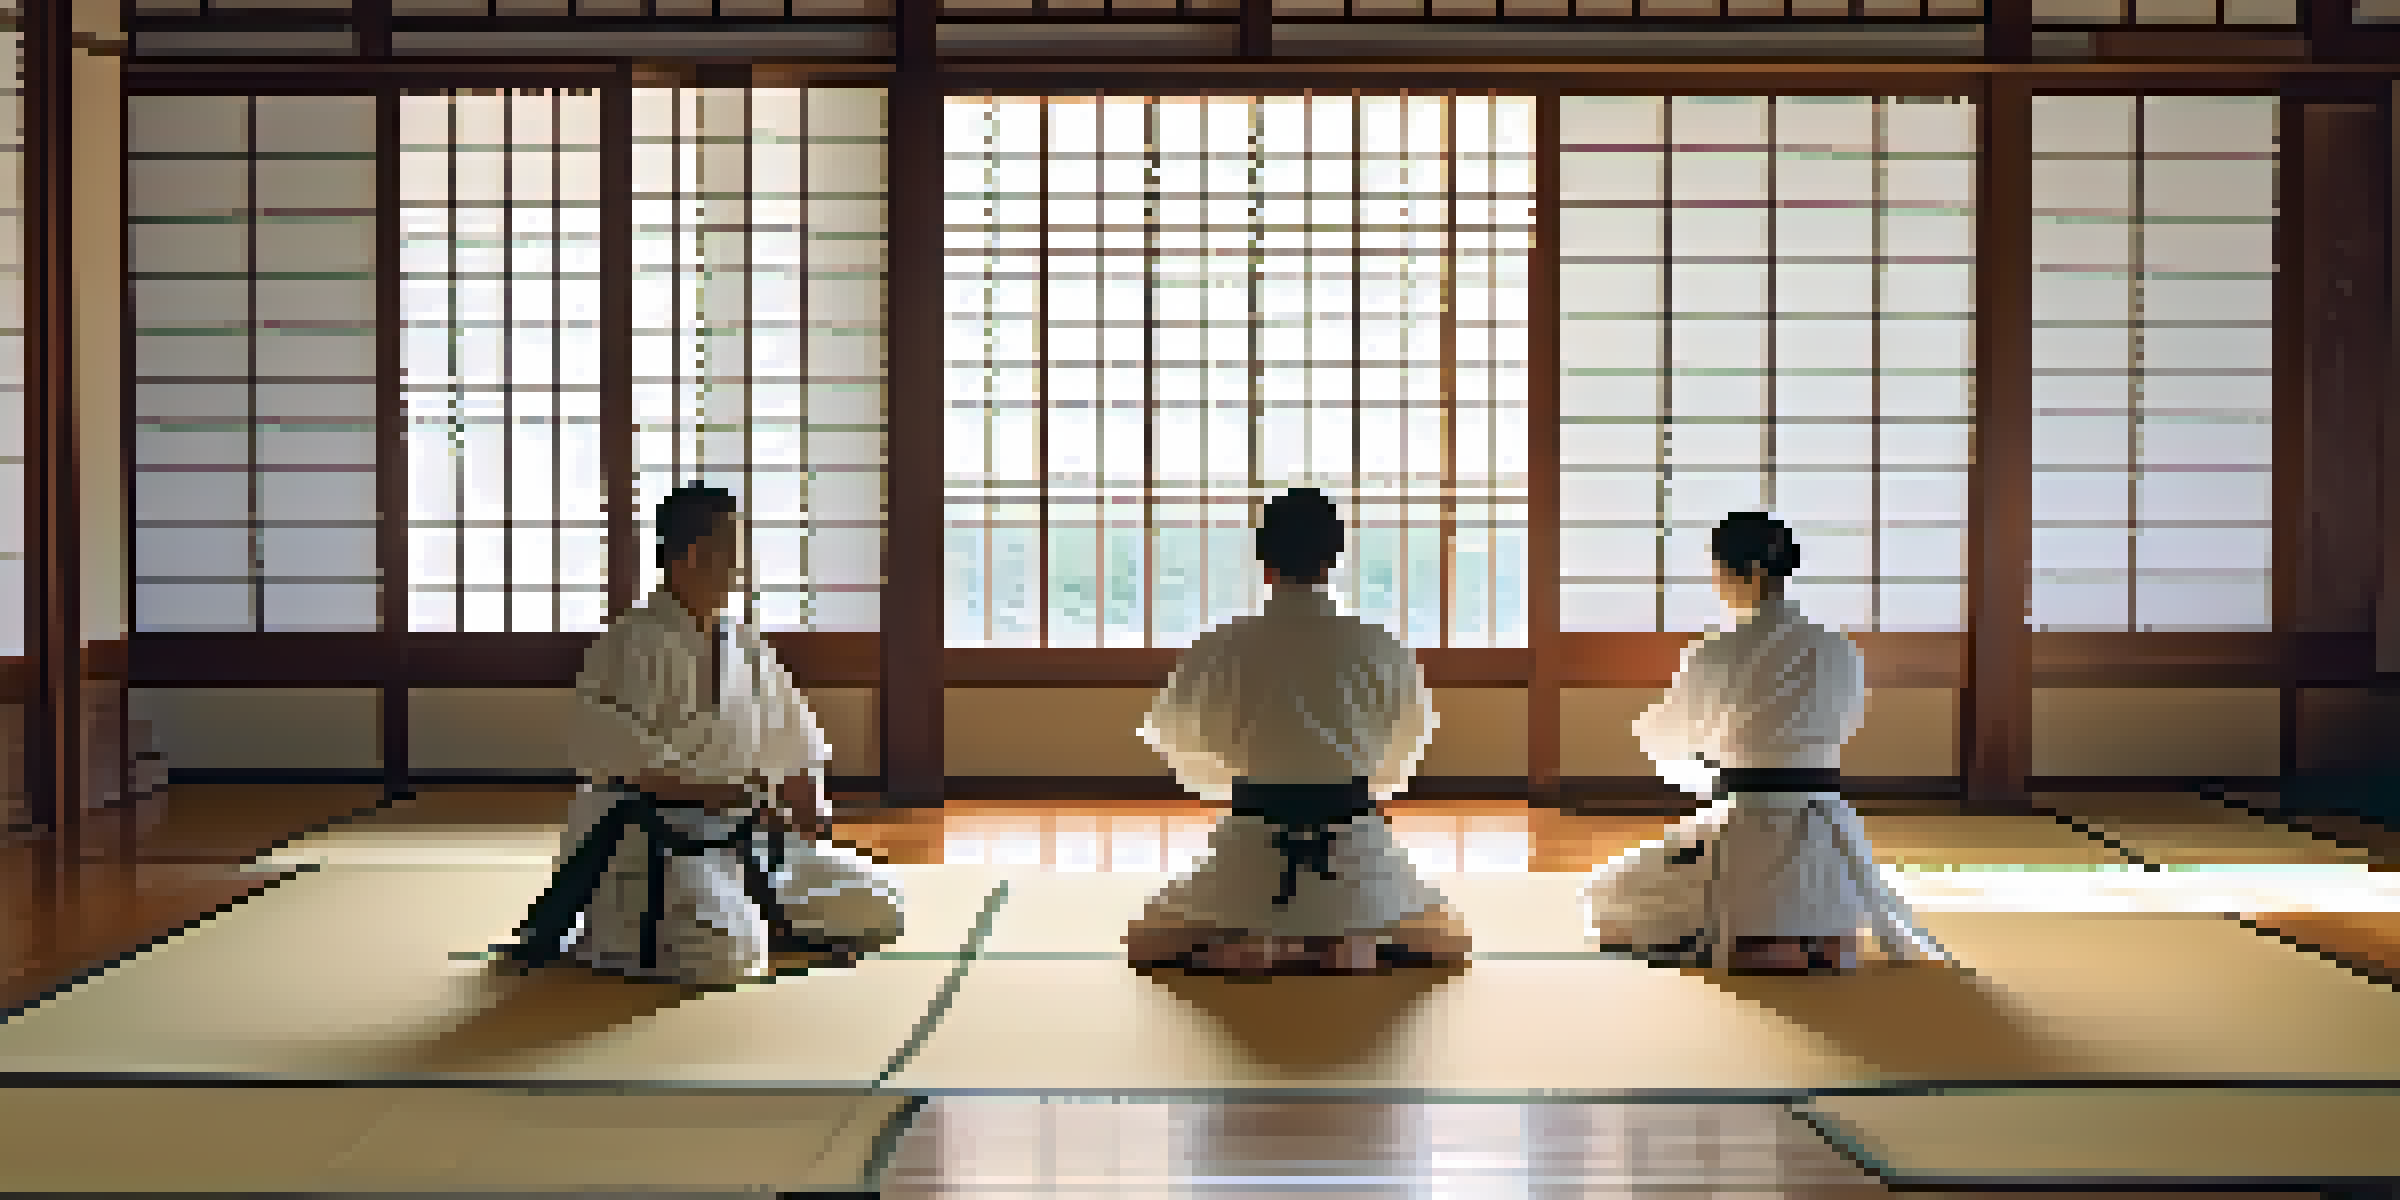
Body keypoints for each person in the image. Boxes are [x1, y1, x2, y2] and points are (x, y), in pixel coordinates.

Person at [502, 482, 904, 986]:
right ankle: (614, 935)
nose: (741, 567)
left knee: (881, 903)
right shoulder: (632, 642)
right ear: (692, 556)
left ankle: (754, 908)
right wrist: (728, 794)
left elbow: (792, 734)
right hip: (655, 841)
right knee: (726, 953)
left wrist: (808, 802)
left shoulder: (743, 641)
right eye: (733, 551)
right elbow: (619, 759)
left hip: (743, 837)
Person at [1581, 512, 1950, 974]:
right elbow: (1846, 725)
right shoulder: (1838, 647)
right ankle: (1823, 932)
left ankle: (1759, 941)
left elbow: (1668, 735)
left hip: (1745, 820)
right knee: (1812, 873)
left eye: (1717, 571)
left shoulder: (1716, 650)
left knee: (1607, 897)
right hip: (1828, 823)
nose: (1715, 583)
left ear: (1746, 571)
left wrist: (1707, 775)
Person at [1123, 488, 1472, 974]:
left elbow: (1182, 742)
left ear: (1265, 558)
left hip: (1250, 843)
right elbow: (1401, 748)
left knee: (1145, 941)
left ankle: (1262, 944)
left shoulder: (1222, 644)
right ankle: (1350, 943)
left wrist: (1240, 774)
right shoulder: (1376, 644)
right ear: (1334, 559)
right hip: (1352, 844)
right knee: (1449, 939)